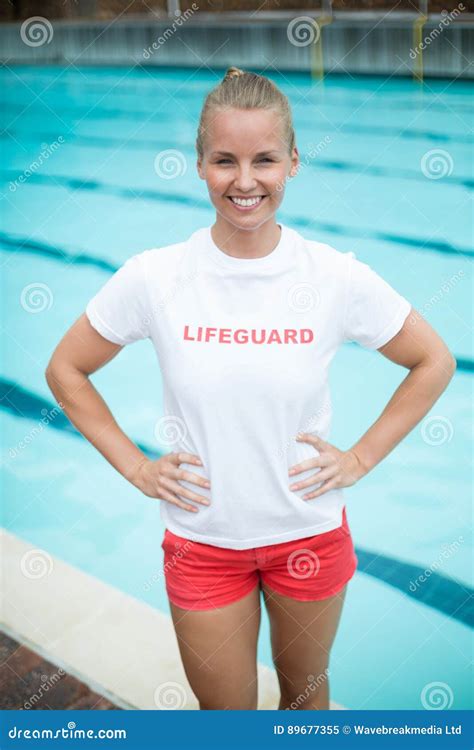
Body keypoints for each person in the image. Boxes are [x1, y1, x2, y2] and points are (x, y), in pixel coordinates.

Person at [45, 67, 456, 711]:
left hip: (309, 536)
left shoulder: (333, 276)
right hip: (202, 541)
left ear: (293, 161)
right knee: (227, 723)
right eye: (224, 161)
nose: (244, 181)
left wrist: (360, 458)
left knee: (304, 707)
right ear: (199, 166)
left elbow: (433, 359)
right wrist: (136, 468)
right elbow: (65, 369)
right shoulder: (155, 277)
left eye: (264, 159)